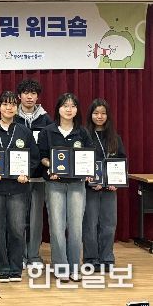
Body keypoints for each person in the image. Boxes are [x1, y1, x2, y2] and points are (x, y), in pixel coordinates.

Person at [0, 91, 39, 283]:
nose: (8, 108)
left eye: (12, 104)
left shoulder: (24, 132)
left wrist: (26, 173)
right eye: (5, 104)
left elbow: (34, 157)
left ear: (16, 107)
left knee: (17, 229)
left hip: (18, 188)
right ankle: (0, 267)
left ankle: (15, 267)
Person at [38, 92, 93, 281]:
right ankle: (60, 267)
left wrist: (88, 170)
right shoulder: (48, 131)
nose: (69, 109)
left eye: (73, 106)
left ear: (77, 110)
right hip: (54, 184)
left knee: (76, 228)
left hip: (77, 185)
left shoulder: (82, 132)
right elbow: (42, 157)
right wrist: (50, 166)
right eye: (65, 106)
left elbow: (89, 156)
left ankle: (75, 267)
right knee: (57, 227)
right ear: (58, 109)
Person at [83, 98, 126, 271]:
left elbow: (122, 161)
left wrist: (116, 181)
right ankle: (91, 258)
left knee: (109, 225)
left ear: (108, 116)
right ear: (90, 115)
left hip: (110, 189)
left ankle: (107, 258)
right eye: (96, 113)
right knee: (90, 225)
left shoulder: (115, 138)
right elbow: (81, 162)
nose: (99, 116)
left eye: (103, 113)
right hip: (90, 188)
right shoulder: (84, 135)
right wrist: (89, 179)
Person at [14, 79, 53, 268]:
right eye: (26, 93)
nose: (29, 97)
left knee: (36, 218)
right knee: (18, 217)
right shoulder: (12, 117)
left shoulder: (47, 120)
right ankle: (19, 255)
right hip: (17, 178)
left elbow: (51, 148)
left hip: (38, 177)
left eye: (33, 93)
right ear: (19, 96)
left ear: (38, 97)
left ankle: (34, 256)